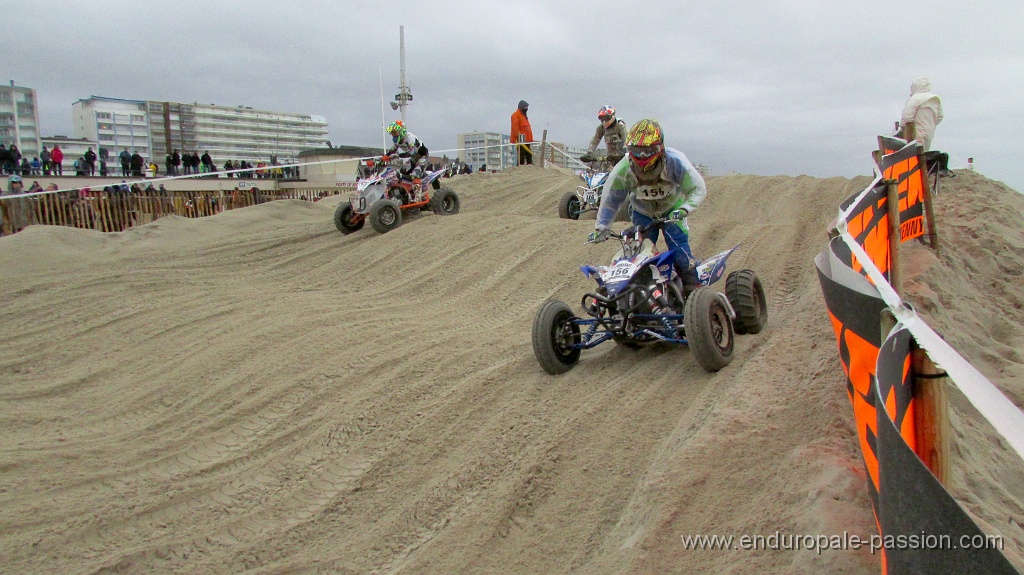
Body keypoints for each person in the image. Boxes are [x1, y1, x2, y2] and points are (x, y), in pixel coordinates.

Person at [588, 119, 707, 296]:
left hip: (672, 210)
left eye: (649, 151)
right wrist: (602, 228)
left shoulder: (675, 162)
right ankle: (644, 293)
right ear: (629, 149)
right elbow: (611, 200)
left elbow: (697, 188)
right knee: (639, 256)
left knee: (680, 251)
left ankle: (693, 288)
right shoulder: (623, 169)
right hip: (642, 213)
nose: (643, 157)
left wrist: (685, 209)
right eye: (637, 151)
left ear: (661, 147)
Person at [898, 77, 952, 177]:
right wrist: (930, 124)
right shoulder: (935, 99)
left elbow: (907, 117)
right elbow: (940, 117)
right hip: (929, 131)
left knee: (914, 156)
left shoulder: (914, 99)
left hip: (914, 131)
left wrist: (902, 128)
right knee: (924, 152)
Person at [510, 100, 533, 165]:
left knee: (529, 155)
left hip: (527, 140)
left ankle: (530, 168)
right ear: (521, 108)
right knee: (521, 156)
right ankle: (520, 168)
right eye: (525, 108)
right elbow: (515, 128)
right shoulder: (515, 115)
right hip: (521, 140)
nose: (526, 109)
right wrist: (521, 139)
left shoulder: (524, 116)